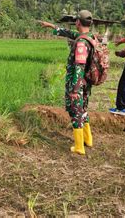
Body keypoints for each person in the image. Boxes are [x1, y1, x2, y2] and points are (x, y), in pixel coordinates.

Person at [39, 10, 95, 155]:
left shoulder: (81, 43)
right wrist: (51, 26)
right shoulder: (89, 37)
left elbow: (79, 68)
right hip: (85, 83)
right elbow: (68, 33)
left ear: (77, 22)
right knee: (83, 110)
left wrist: (74, 90)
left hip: (77, 84)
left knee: (75, 112)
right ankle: (88, 139)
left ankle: (79, 147)